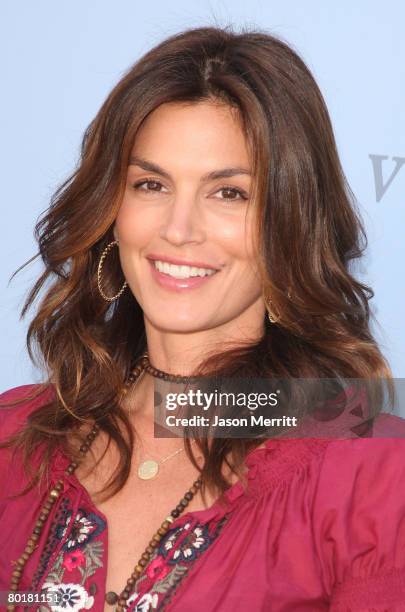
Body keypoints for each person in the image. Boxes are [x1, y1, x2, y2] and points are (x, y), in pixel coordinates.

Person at [1, 25, 405, 612]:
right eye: (150, 184)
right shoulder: (16, 439)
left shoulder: (370, 480)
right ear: (111, 212)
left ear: (288, 226)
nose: (179, 229)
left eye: (229, 194)